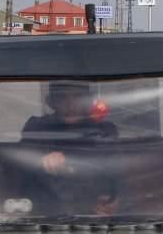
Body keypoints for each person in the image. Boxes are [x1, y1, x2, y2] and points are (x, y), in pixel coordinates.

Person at [22, 81, 120, 216]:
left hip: (94, 215)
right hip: (48, 215)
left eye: (78, 97)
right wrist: (40, 159)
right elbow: (21, 162)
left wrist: (115, 202)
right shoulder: (37, 128)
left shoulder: (104, 130)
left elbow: (118, 172)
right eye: (63, 97)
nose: (71, 105)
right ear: (51, 101)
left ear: (88, 100)